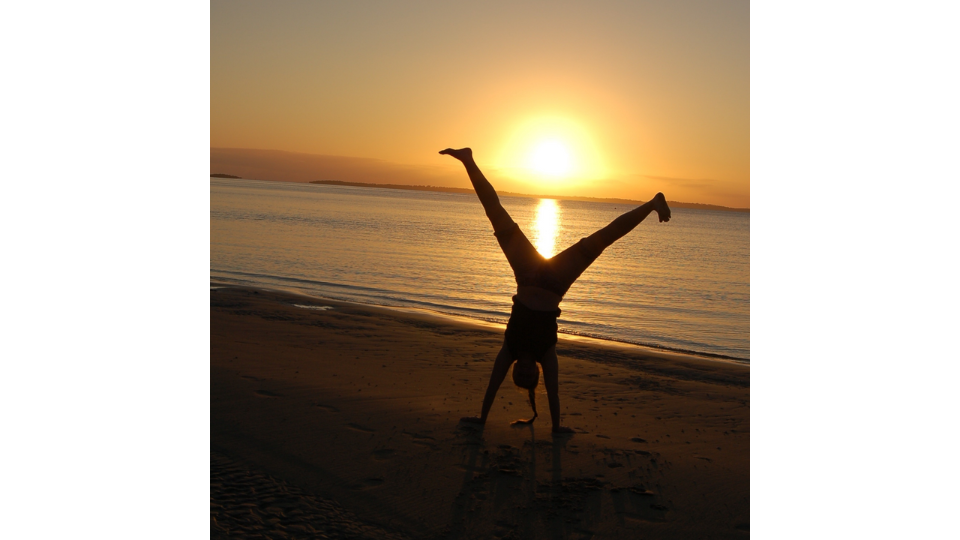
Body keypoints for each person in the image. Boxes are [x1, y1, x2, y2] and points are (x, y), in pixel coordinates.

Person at [441, 147, 670, 434]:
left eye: (519, 373)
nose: (524, 369)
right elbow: (554, 393)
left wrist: (482, 419)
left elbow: (492, 384)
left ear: (514, 369)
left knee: (496, 214)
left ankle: (468, 160)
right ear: (535, 371)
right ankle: (652, 203)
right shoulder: (546, 354)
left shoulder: (509, 348)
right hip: (557, 281)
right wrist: (557, 427)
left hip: (526, 274)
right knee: (603, 239)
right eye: (529, 373)